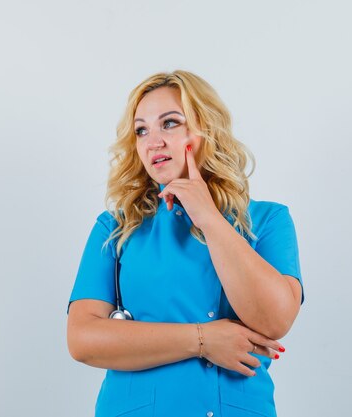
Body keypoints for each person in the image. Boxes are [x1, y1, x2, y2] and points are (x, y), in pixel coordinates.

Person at [66, 70, 304, 417]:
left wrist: (208, 215)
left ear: (206, 130)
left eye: (170, 123)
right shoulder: (116, 227)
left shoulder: (268, 221)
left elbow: (275, 321)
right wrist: (202, 340)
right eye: (141, 130)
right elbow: (83, 339)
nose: (153, 141)